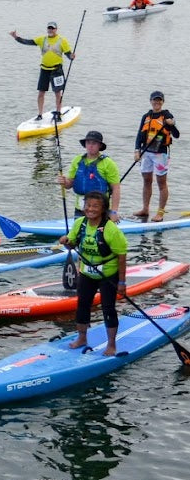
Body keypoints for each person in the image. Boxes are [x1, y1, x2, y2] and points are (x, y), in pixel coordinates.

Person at [58, 192, 128, 357]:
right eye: (87, 205)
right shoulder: (79, 224)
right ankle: (82, 338)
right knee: (82, 305)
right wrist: (66, 242)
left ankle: (111, 344)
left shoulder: (111, 229)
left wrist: (122, 283)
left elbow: (122, 255)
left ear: (103, 209)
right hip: (87, 273)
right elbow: (72, 244)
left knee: (108, 308)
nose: (90, 209)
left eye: (95, 206)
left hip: (108, 275)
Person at [10, 21, 75, 121]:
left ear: (56, 29)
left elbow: (68, 54)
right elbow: (28, 42)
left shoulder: (62, 41)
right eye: (49, 28)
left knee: (58, 93)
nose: (50, 30)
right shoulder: (42, 39)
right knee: (41, 93)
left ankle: (58, 113)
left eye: (52, 28)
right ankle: (40, 115)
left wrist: (71, 57)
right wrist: (16, 37)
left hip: (56, 71)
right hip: (44, 69)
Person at [133, 90, 179, 221]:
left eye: (159, 100)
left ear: (162, 102)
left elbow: (176, 135)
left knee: (161, 183)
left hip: (160, 154)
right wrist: (137, 151)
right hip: (146, 152)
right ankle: (145, 208)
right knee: (146, 180)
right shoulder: (146, 116)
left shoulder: (166, 115)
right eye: (154, 100)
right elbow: (139, 135)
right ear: (151, 101)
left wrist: (172, 124)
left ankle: (160, 212)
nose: (157, 102)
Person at [59, 131, 122, 220]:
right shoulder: (77, 160)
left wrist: (114, 212)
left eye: (94, 143)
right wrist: (64, 182)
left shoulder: (108, 163)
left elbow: (116, 188)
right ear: (85, 144)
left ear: (100, 146)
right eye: (88, 143)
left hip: (99, 209)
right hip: (80, 208)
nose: (90, 146)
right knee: (80, 233)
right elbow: (69, 184)